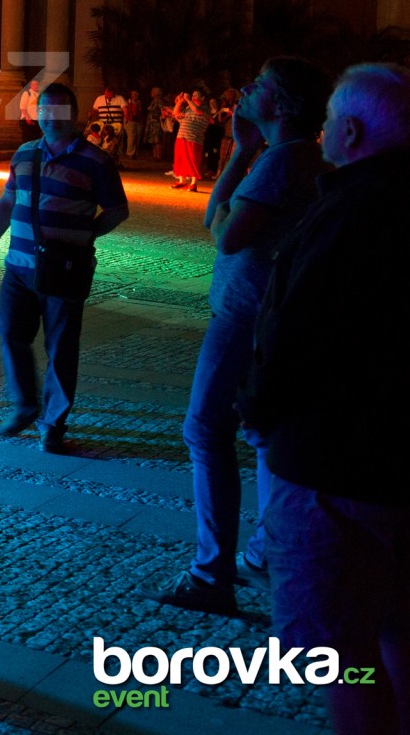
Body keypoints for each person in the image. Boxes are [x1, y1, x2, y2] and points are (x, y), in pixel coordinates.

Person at [240, 63, 410, 735]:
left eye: (332, 121)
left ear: (353, 132)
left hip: (333, 470)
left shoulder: (349, 210)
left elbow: (298, 328)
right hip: (391, 467)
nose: (323, 133)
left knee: (341, 655)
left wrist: (258, 412)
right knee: (397, 628)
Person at [150, 58, 330, 616]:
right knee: (261, 435)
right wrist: (242, 151)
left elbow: (226, 235)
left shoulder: (281, 162)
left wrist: (244, 162)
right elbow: (215, 218)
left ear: (283, 104)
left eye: (261, 84)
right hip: (269, 316)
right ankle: (266, 553)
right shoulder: (295, 157)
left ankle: (212, 573)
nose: (247, 88)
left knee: (206, 430)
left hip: (243, 315)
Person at [0, 83, 130, 453]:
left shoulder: (96, 161)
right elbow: (7, 202)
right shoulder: (25, 153)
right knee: (11, 333)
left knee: (61, 347)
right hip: (19, 266)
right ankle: (25, 404)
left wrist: (84, 234)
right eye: (44, 110)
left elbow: (117, 210)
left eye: (59, 111)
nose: (51, 118)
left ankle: (53, 424)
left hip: (65, 268)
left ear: (74, 116)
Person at [172, 88, 211, 189]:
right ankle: (182, 181)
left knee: (193, 160)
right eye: (192, 95)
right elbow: (175, 113)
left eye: (196, 95)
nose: (193, 97)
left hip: (194, 138)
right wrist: (180, 102)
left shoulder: (205, 108)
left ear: (203, 98)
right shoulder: (188, 108)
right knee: (180, 159)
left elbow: (197, 110)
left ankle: (193, 183)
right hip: (182, 136)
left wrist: (188, 100)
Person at [92, 84, 125, 148]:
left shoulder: (120, 98)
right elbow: (94, 110)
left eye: (110, 96)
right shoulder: (99, 99)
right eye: (107, 96)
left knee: (113, 140)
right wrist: (91, 114)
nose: (109, 98)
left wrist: (125, 119)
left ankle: (113, 149)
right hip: (103, 124)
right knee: (103, 139)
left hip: (115, 125)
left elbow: (125, 109)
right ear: (105, 93)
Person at [145, 86, 169, 162]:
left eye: (153, 92)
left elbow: (163, 109)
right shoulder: (153, 101)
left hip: (156, 122)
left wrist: (162, 117)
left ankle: (158, 156)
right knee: (153, 140)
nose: (151, 93)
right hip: (152, 123)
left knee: (157, 140)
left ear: (156, 93)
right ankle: (155, 155)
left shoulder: (159, 101)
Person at [123, 89, 143, 160]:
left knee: (137, 137)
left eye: (136, 94)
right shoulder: (127, 102)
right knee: (131, 137)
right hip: (130, 120)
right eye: (133, 94)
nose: (135, 95)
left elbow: (140, 111)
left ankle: (135, 153)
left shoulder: (139, 102)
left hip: (138, 121)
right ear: (131, 95)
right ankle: (130, 153)